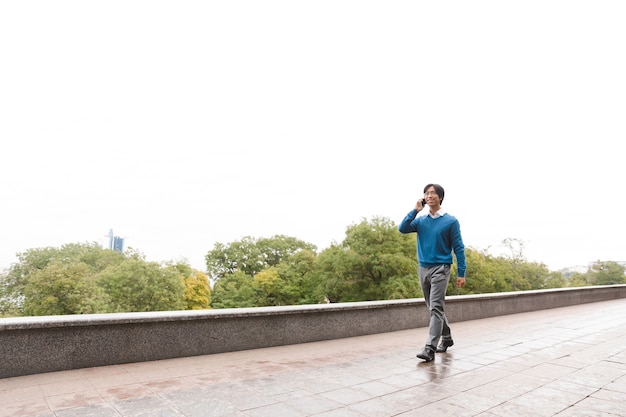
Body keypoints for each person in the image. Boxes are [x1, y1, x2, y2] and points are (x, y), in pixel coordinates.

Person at [398, 183, 466, 362]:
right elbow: (402, 228)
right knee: (433, 307)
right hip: (423, 268)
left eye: (433, 193)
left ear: (440, 197)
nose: (429, 196)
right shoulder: (420, 221)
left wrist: (461, 272)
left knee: (435, 306)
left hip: (441, 268)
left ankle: (429, 348)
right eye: (426, 193)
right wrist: (415, 210)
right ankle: (447, 337)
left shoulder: (451, 221)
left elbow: (459, 248)